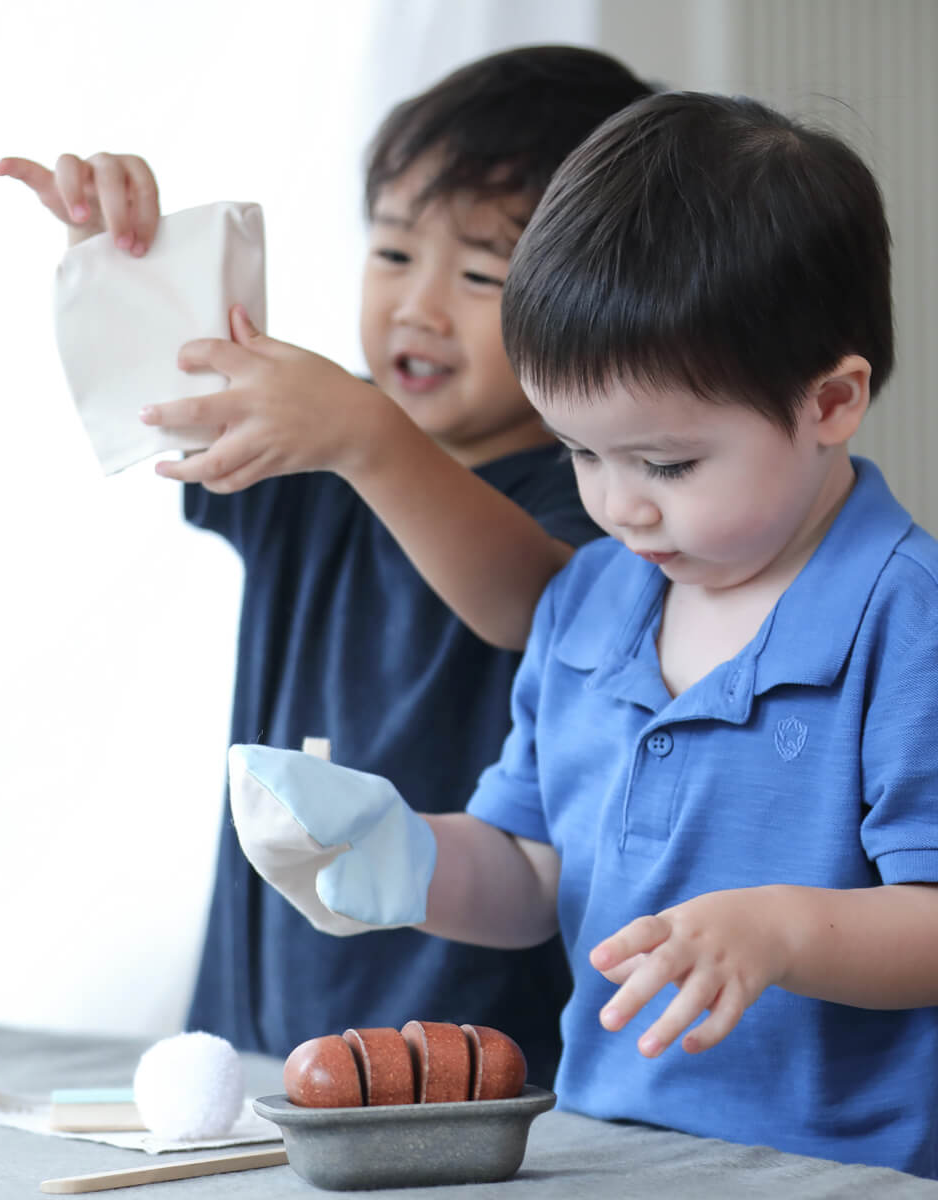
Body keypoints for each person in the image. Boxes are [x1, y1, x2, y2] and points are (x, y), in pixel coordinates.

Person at [229, 90, 938, 1177]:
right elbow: (531, 878)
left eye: (666, 463)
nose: (619, 507)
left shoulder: (905, 619)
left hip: (842, 1169)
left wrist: (783, 933)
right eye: (580, 452)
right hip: (610, 1150)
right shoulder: (589, 605)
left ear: (831, 402)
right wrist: (403, 854)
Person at [0, 46, 654, 1086]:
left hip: (466, 1032)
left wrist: (368, 436)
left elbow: (535, 602)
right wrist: (118, 265)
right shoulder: (325, 439)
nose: (419, 306)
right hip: (260, 1010)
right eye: (393, 252)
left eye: (480, 274)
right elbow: (165, 391)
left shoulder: (601, 491)